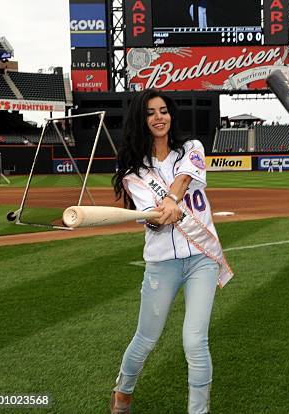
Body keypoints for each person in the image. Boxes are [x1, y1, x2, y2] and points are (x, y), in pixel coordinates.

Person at [110, 89, 233, 414]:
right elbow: (151, 219)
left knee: (195, 341)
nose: (159, 117)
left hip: (201, 260)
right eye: (150, 112)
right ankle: (123, 391)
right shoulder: (133, 174)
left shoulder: (191, 147)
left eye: (163, 110)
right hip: (162, 263)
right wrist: (158, 217)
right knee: (146, 339)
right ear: (141, 119)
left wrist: (171, 200)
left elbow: (184, 177)